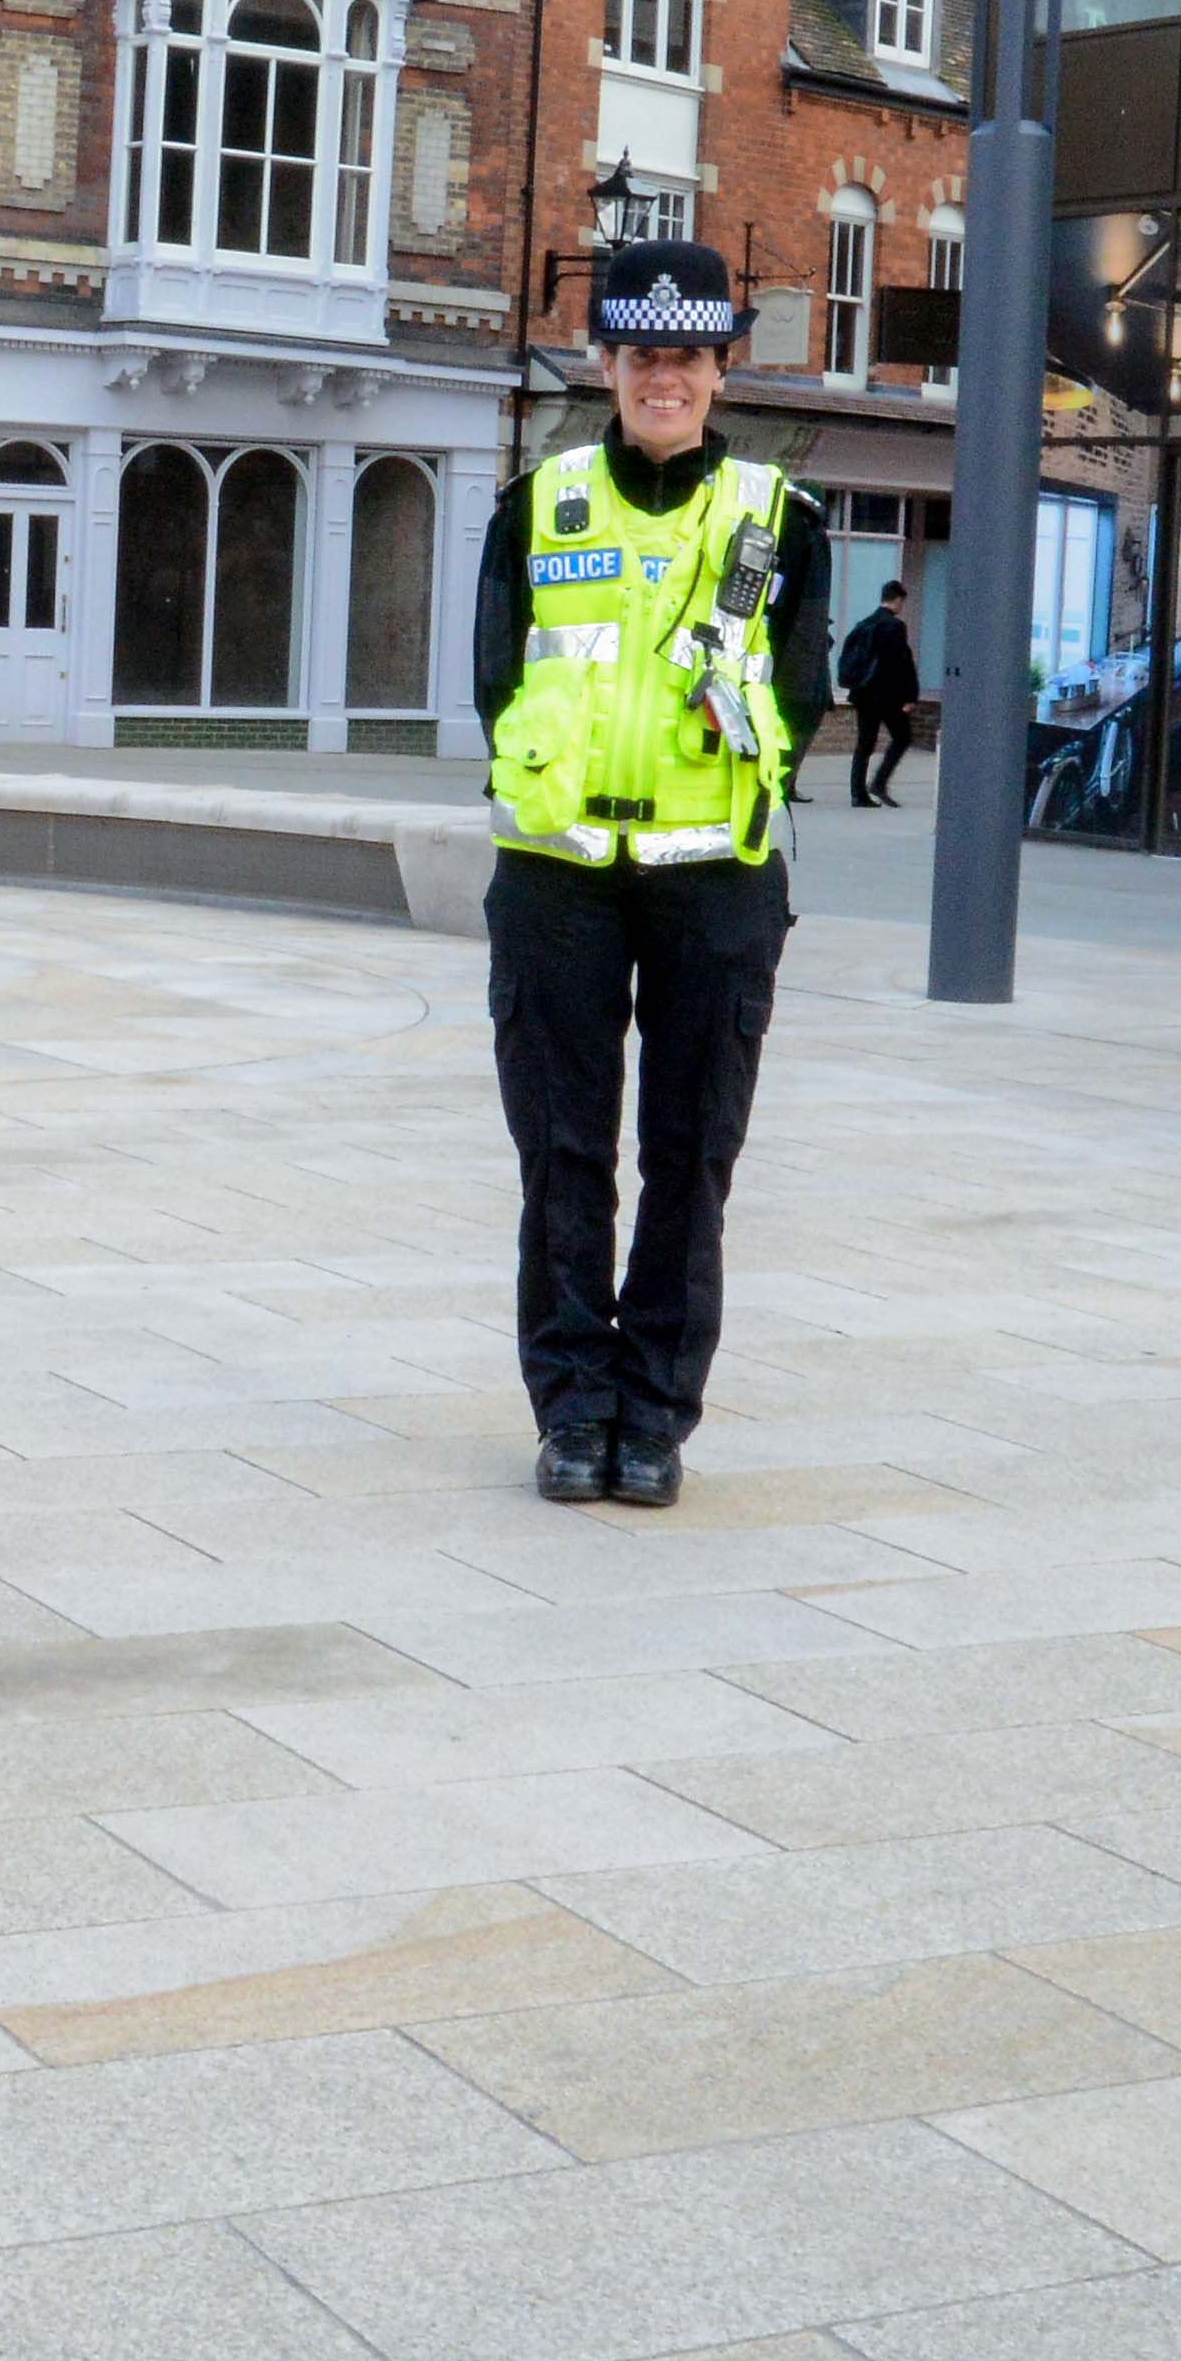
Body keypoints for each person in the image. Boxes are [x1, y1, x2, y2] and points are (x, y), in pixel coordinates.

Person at [477, 236, 828, 1509]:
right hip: (558, 873)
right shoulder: (540, 497)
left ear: (720, 369)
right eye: (639, 355)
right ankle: (572, 1409)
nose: (661, 378)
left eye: (686, 355)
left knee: (690, 1157)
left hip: (712, 881)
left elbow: (797, 691)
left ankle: (654, 1415)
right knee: (563, 1154)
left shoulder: (779, 519)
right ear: (603, 362)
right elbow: (494, 677)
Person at [833, 584, 926, 810]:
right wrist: (910, 696)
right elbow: (902, 663)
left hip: (863, 694)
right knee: (902, 737)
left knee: (864, 744)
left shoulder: (864, 624)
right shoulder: (894, 626)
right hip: (887, 696)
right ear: (897, 600)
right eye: (902, 602)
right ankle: (879, 782)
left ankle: (857, 793)